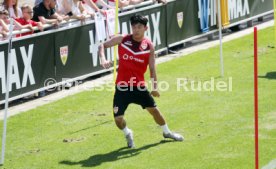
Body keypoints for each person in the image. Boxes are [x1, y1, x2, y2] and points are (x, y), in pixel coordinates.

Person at [99, 14, 184, 148]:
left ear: (146, 28)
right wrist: (103, 59)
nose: (136, 29)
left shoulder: (149, 46)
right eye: (133, 26)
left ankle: (167, 132)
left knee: (154, 111)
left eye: (139, 27)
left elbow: (152, 68)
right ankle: (128, 133)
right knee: (118, 119)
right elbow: (102, 46)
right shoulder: (122, 39)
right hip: (122, 87)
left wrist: (155, 87)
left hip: (139, 87)